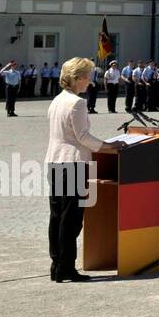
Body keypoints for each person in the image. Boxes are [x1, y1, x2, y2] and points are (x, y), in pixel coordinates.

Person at [45, 58, 127, 282]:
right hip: (73, 163)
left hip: (55, 162)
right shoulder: (77, 103)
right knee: (70, 220)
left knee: (57, 217)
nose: (89, 81)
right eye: (87, 77)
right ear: (77, 78)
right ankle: (66, 267)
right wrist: (109, 145)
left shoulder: (57, 100)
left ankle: (57, 265)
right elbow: (82, 137)